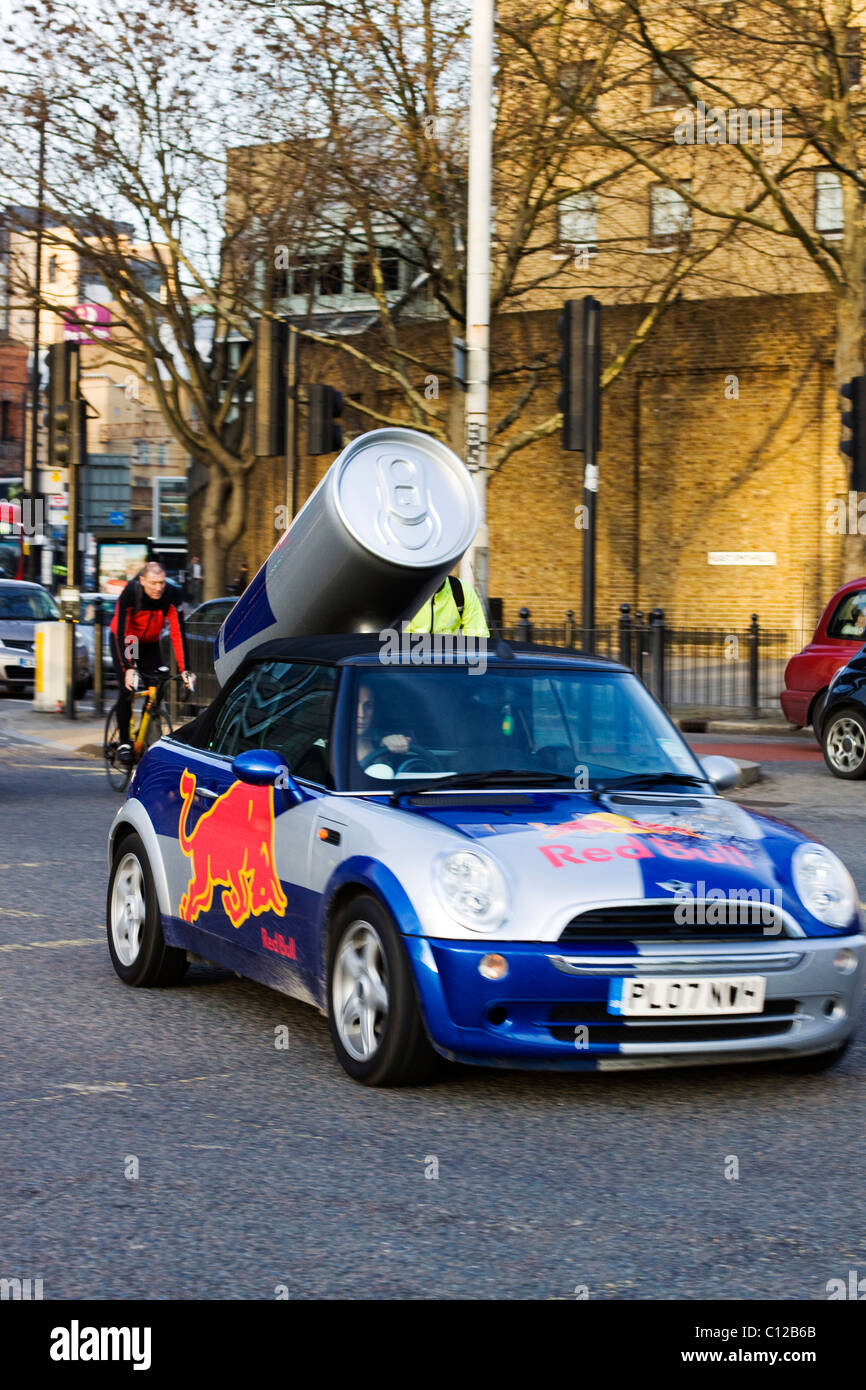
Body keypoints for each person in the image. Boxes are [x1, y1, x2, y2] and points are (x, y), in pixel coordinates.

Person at [109, 562, 193, 758]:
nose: (158, 588)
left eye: (161, 582)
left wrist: (185, 669)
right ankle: (123, 742)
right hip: (129, 638)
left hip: (150, 642)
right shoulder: (131, 592)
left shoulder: (172, 594)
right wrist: (129, 667)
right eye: (153, 583)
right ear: (142, 581)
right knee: (128, 688)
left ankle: (145, 733)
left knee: (158, 684)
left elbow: (178, 633)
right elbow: (122, 631)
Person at [355, 682, 414, 771]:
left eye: (368, 706)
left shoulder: (384, 748)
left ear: (375, 712)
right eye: (354, 705)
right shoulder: (329, 751)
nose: (361, 714)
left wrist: (386, 754)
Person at [406, 574, 489, 636]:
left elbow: (478, 639)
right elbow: (397, 641)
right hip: (411, 656)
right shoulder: (403, 592)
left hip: (450, 656)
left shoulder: (462, 590)